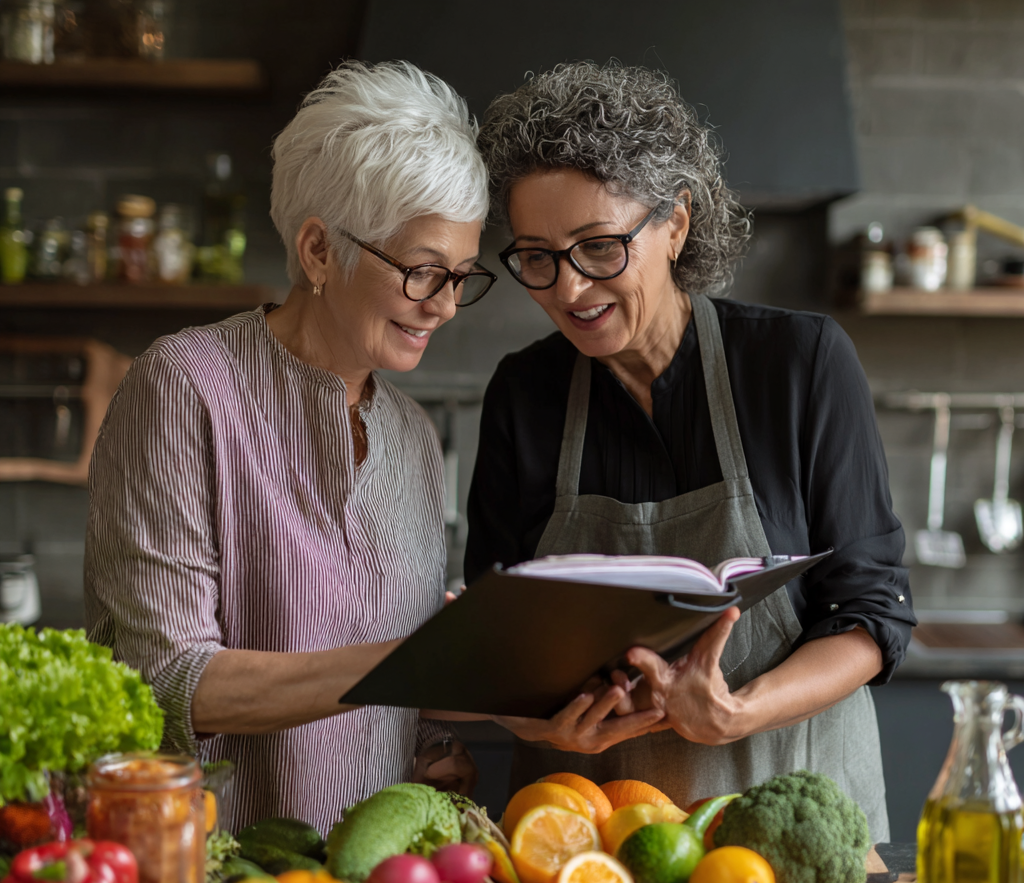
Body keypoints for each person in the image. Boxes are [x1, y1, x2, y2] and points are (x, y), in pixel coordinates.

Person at [467, 62, 916, 840]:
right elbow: (496, 652)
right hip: (585, 845)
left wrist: (738, 713)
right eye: (536, 257)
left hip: (787, 827)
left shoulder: (799, 362)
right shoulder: (523, 393)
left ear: (674, 224)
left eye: (599, 247)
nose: (569, 290)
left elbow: (870, 612)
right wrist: (544, 726)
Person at [85, 61, 496, 834]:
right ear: (317, 251)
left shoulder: (410, 436)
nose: (444, 306)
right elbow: (168, 681)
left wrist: (432, 744)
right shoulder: (186, 386)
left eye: (461, 278)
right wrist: (417, 663)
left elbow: (382, 671)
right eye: (422, 271)